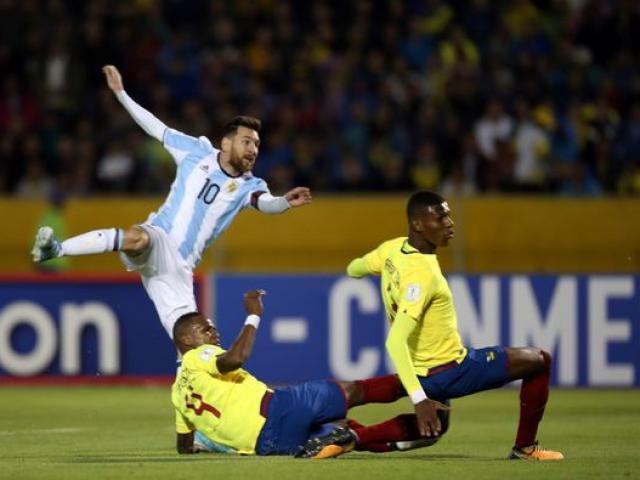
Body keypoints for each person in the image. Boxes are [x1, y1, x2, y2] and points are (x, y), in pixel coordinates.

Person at [31, 65, 312, 337]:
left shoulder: (249, 186)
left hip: (178, 268)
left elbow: (267, 204)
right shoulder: (196, 151)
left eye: (256, 144)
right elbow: (156, 127)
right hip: (158, 237)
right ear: (226, 144)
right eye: (246, 141)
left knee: (191, 341)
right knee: (138, 238)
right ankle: (55, 249)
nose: (253, 149)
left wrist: (285, 201)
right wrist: (121, 94)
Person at [338, 191, 563, 461]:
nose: (449, 223)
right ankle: (525, 448)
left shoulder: (392, 250)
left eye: (449, 215)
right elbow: (395, 342)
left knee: (436, 427)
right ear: (418, 224)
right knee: (540, 359)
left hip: (422, 370)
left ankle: (352, 437)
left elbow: (354, 268)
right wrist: (419, 399)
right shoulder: (423, 274)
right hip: (450, 370)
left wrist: (375, 271)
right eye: (440, 217)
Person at [171, 289, 450, 458]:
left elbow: (184, 445)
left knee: (345, 433)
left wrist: (207, 444)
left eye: (212, 327)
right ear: (186, 340)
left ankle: (416, 435)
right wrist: (253, 315)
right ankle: (429, 380)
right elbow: (237, 358)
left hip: (267, 444)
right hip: (277, 410)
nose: (213, 332)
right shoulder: (199, 355)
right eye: (205, 329)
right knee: (351, 392)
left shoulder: (177, 394)